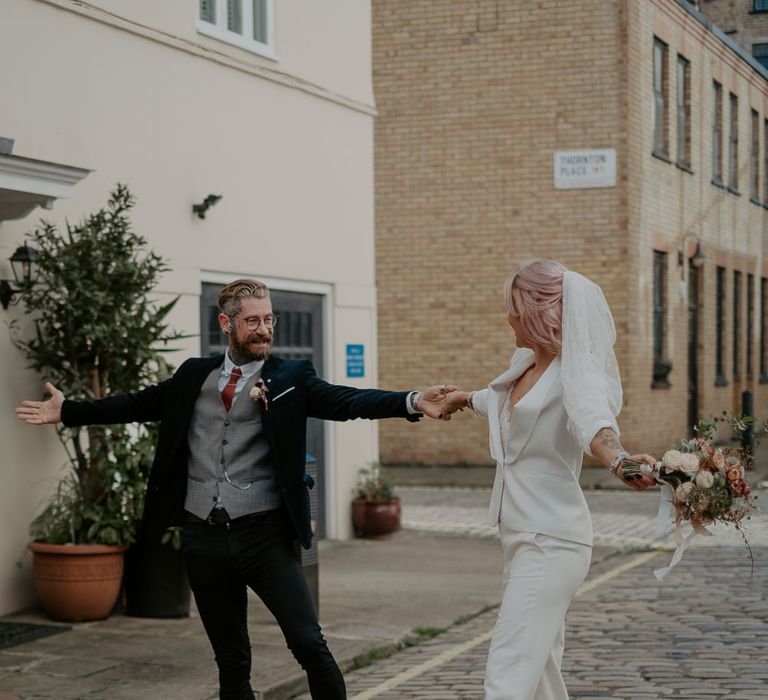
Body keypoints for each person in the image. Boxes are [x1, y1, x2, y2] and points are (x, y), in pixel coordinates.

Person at [16, 278, 452, 700]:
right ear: (227, 325)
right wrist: (68, 410)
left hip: (265, 535)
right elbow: (135, 404)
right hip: (203, 536)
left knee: (308, 644)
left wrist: (411, 401)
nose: (264, 329)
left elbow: (348, 401)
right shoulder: (193, 376)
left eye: (269, 320)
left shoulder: (291, 377)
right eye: (253, 321)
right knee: (231, 660)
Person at [439, 259, 656, 700]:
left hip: (552, 541)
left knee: (508, 670)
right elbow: (497, 402)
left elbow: (595, 425)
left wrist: (620, 462)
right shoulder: (523, 365)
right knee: (540, 676)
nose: (508, 316)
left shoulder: (577, 373)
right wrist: (460, 399)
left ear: (534, 310)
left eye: (513, 307)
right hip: (520, 538)